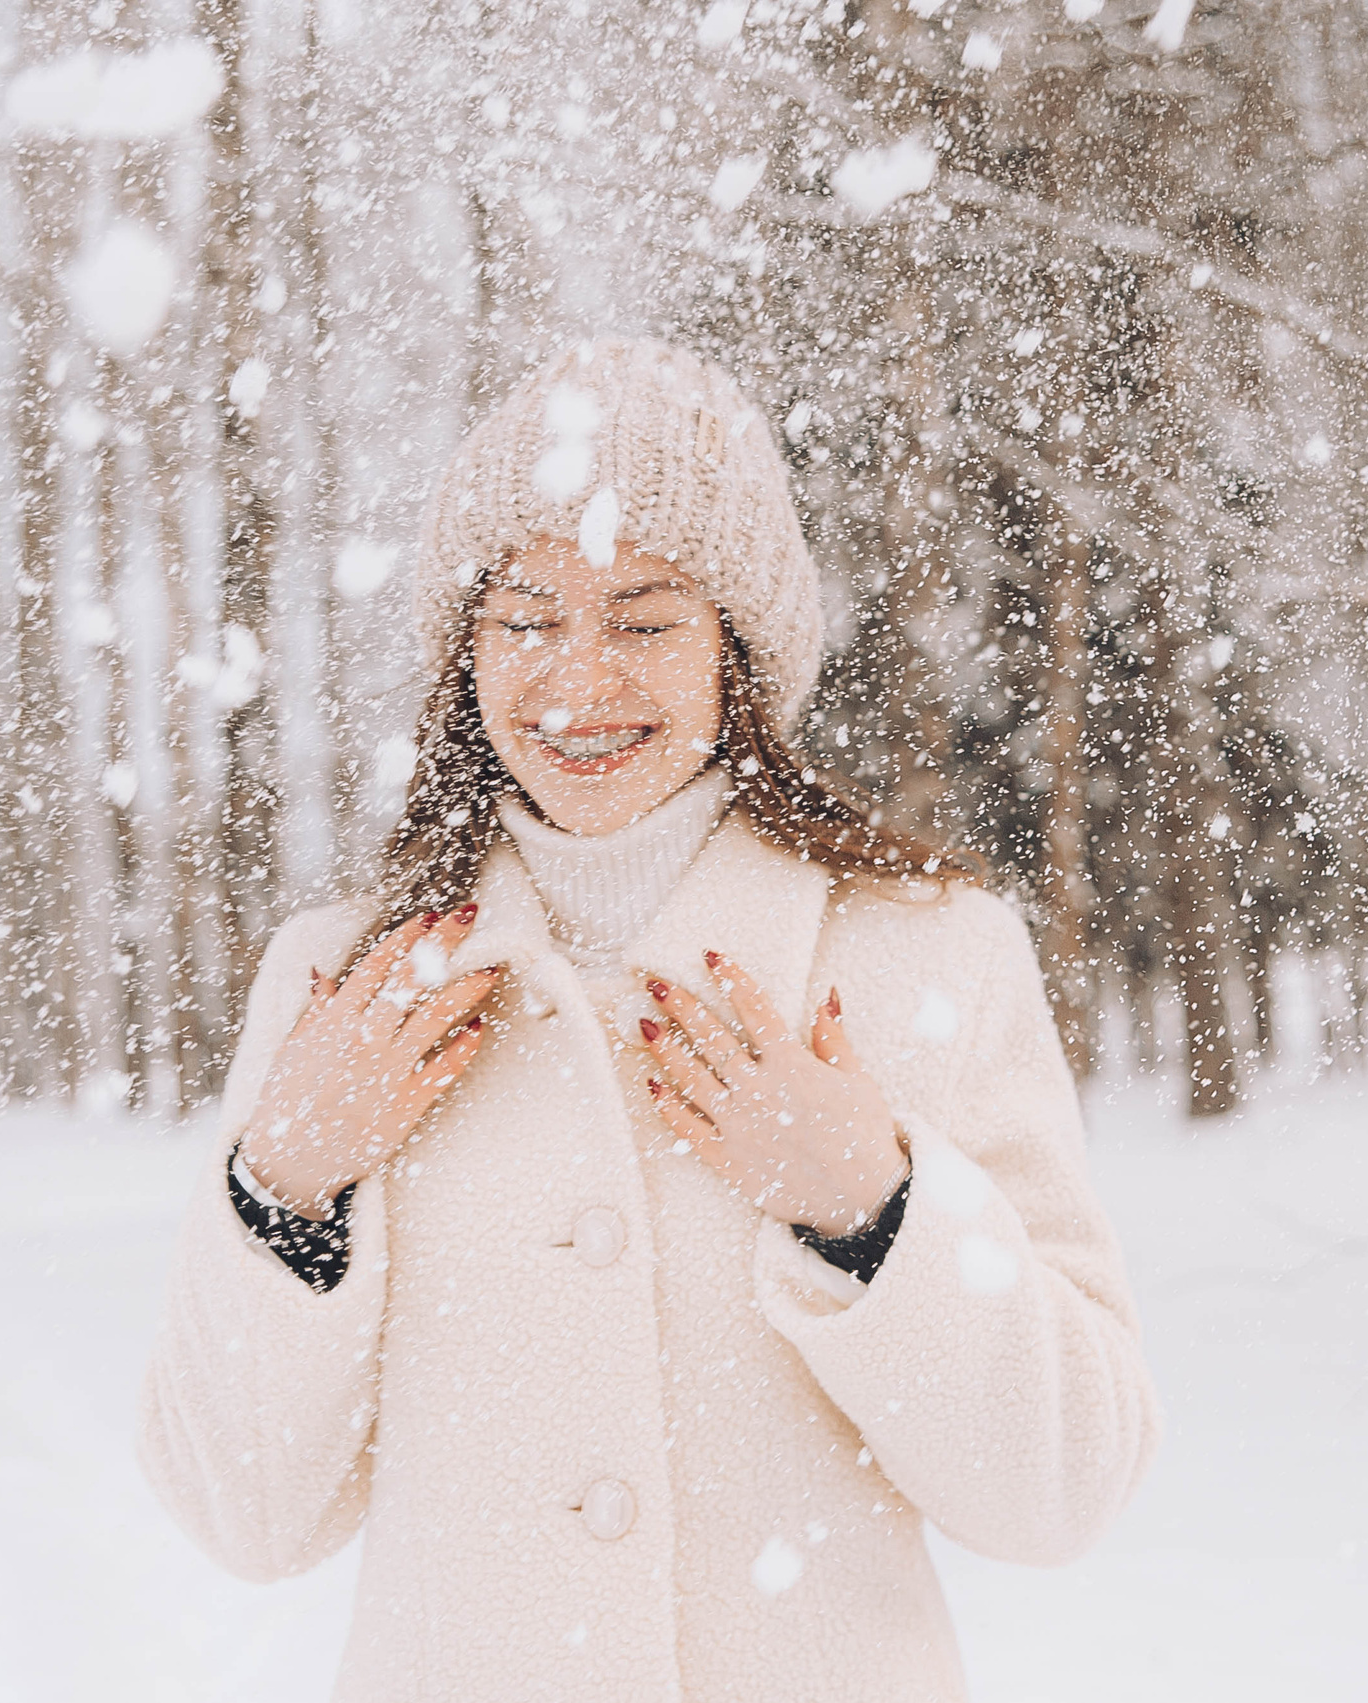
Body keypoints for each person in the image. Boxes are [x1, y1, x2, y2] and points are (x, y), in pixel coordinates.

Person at [137, 338, 1160, 1701]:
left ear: (739, 649)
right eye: (527, 619)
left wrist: (871, 1207)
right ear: (466, 653)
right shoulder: (344, 986)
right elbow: (244, 1515)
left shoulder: (931, 957)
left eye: (645, 617)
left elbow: (1065, 1489)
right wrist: (287, 1181)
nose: (579, 680)